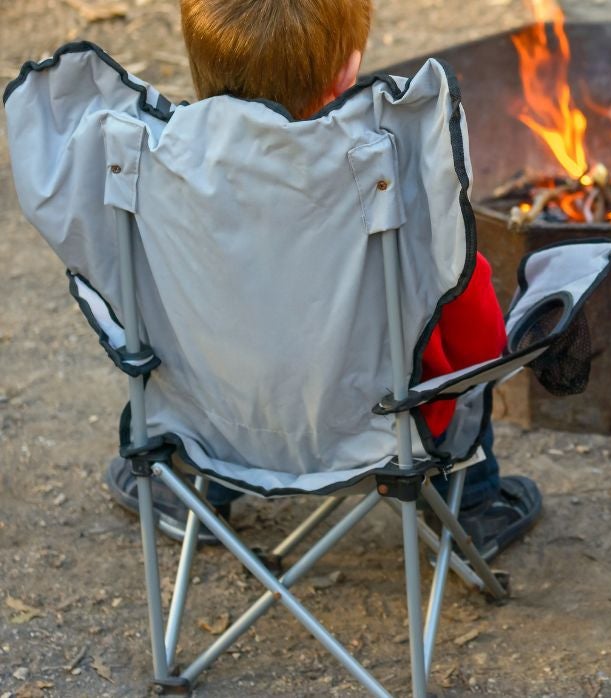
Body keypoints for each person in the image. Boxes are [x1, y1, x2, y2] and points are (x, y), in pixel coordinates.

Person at [106, 0, 540, 558]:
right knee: (461, 380)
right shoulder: (395, 189)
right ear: (349, 70)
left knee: (208, 354)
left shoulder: (155, 175)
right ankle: (472, 505)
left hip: (210, 426)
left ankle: (195, 490)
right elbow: (479, 339)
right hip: (380, 433)